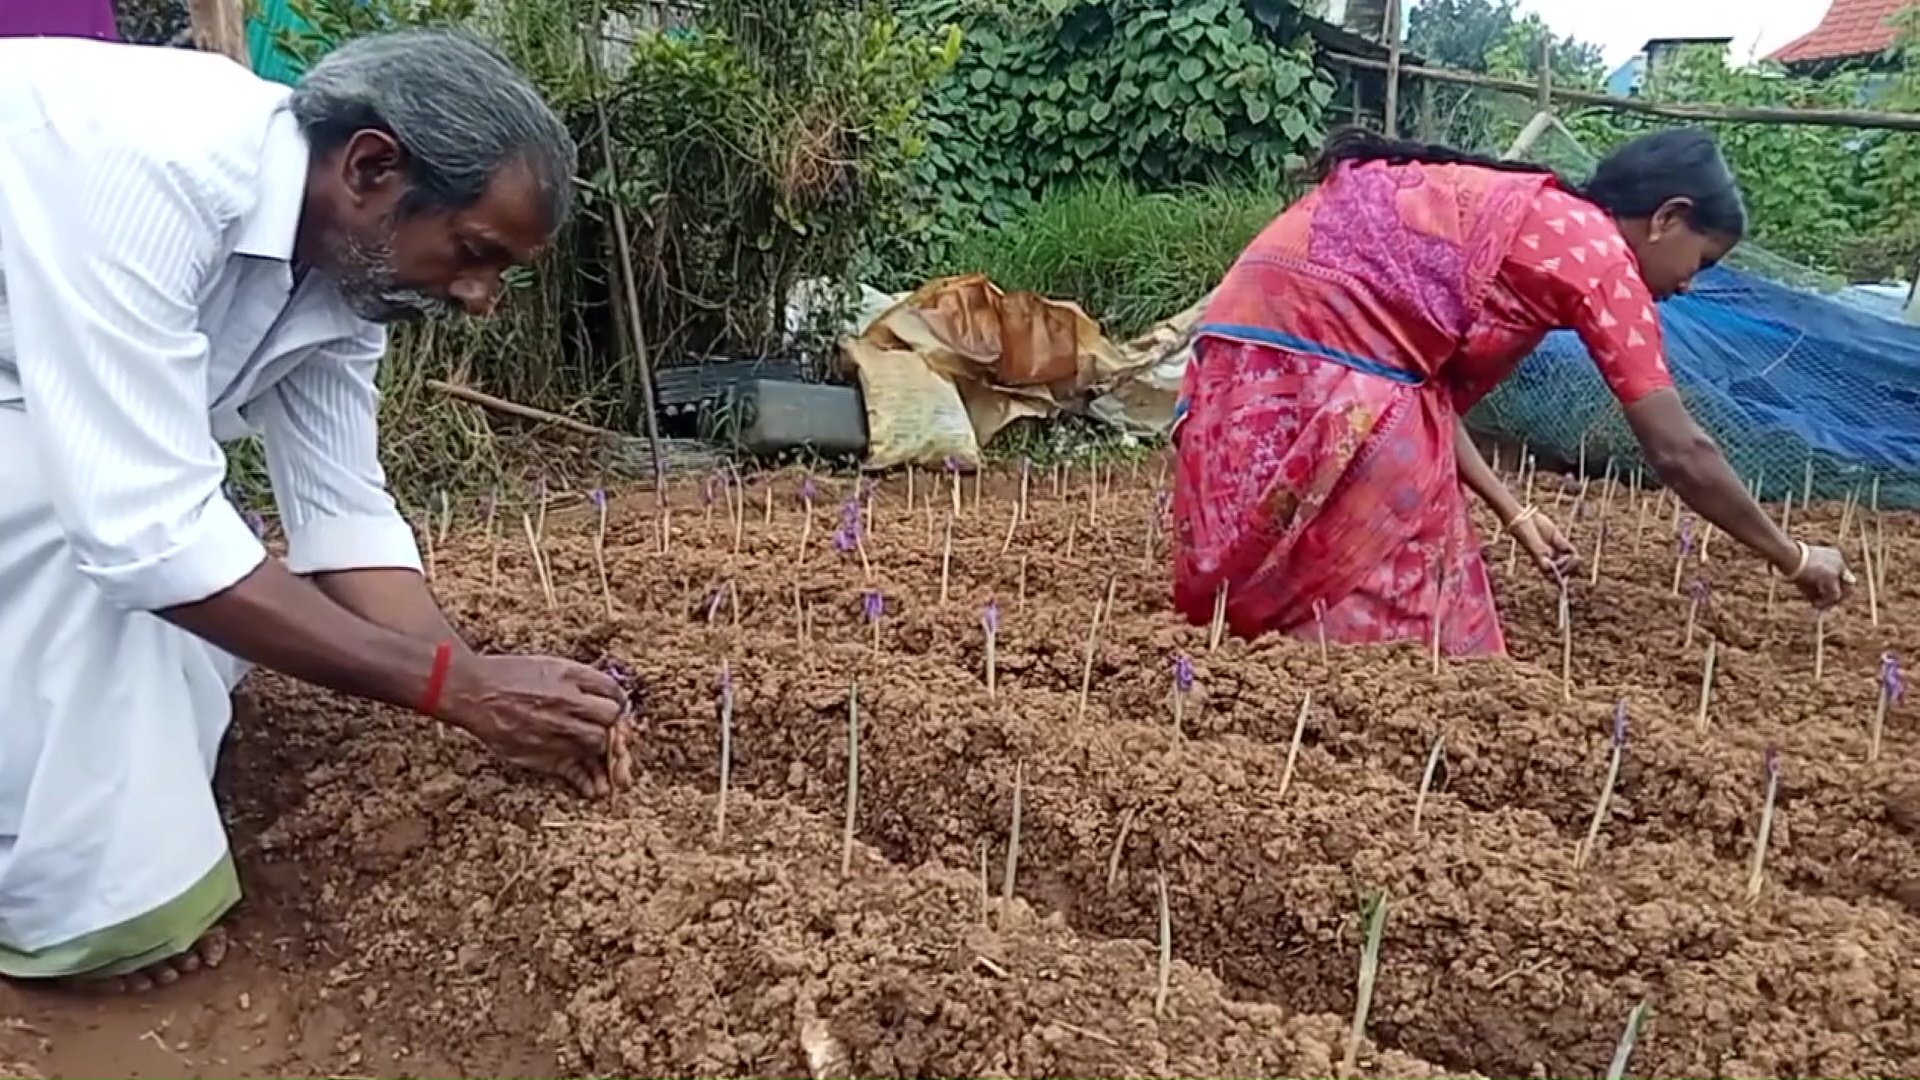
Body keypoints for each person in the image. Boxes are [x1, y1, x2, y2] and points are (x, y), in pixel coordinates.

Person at [0, 31, 635, 992]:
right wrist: (456, 692)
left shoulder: (347, 273)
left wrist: (467, 679)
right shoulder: (149, 166)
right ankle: (85, 919)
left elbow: (342, 509)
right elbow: (145, 529)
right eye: (474, 253)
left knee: (199, 560)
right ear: (372, 166)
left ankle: (123, 820)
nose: (478, 297)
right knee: (70, 525)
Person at [1171, 127, 1854, 653]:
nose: (1690, 284)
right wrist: (1792, 557)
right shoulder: (1598, 258)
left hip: (1253, 328)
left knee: (1314, 568)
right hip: (1315, 344)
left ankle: (1272, 676)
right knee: (1420, 608)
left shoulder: (1545, 225)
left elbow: (1421, 390)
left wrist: (1515, 513)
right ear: (1667, 218)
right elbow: (1679, 450)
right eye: (1702, 260)